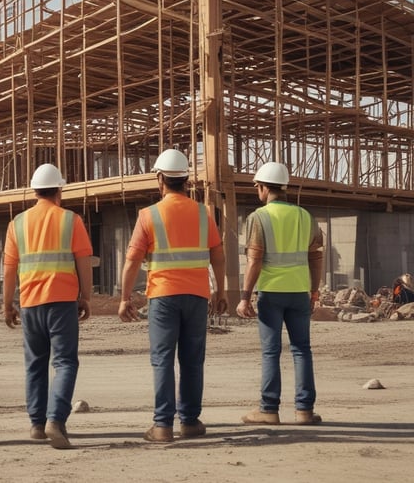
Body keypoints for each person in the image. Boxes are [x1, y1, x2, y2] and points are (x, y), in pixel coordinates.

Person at [118, 149, 227, 443]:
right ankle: (189, 422)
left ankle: (163, 425)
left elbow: (132, 260)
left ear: (160, 179)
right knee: (192, 360)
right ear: (186, 180)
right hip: (197, 296)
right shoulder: (204, 214)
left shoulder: (149, 215)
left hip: (163, 296)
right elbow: (217, 254)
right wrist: (220, 289)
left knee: (162, 360)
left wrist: (125, 297)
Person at [2, 163, 94, 449]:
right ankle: (56, 420)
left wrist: (7, 304)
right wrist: (86, 296)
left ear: (34, 191)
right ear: (59, 191)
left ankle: (37, 424)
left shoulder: (17, 223)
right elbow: (83, 261)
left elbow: (9, 268)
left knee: (35, 364)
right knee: (65, 362)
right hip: (62, 302)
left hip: (30, 303)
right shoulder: (71, 220)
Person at [236, 161, 324, 425]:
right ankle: (304, 411)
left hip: (271, 293)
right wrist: (314, 291)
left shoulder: (258, 217)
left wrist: (244, 297)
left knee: (270, 351)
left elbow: (254, 260)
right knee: (302, 349)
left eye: (257, 187)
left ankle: (269, 409)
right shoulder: (306, 217)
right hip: (299, 292)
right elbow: (316, 258)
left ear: (263, 188)